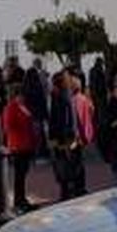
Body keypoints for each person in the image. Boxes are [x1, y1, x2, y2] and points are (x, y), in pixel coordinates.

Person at [48, 71, 85, 200]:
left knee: (66, 167)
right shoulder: (62, 95)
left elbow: (64, 120)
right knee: (69, 166)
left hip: (64, 138)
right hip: (66, 137)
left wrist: (59, 140)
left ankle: (68, 194)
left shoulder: (61, 97)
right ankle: (70, 192)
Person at [1, 84, 37, 212]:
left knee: (23, 174)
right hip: (18, 146)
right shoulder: (11, 107)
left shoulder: (22, 106)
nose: (23, 97)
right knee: (19, 175)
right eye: (21, 95)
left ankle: (22, 199)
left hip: (26, 145)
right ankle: (18, 201)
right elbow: (8, 127)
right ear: (16, 95)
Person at [23, 59, 50, 159]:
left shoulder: (26, 87)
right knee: (39, 132)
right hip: (38, 112)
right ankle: (41, 151)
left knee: (34, 133)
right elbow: (43, 98)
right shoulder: (38, 84)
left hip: (31, 112)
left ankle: (36, 151)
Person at [88, 56, 108, 123]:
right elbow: (93, 83)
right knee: (99, 113)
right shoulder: (98, 71)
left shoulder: (94, 71)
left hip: (99, 95)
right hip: (99, 94)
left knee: (99, 112)